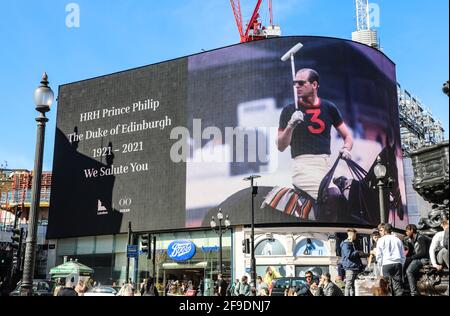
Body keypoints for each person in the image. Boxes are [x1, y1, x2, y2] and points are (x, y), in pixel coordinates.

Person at [277, 68, 353, 206]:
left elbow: (347, 136)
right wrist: (290, 125)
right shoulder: (289, 110)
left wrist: (346, 148)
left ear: (314, 85)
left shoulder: (329, 107)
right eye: (295, 83)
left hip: (326, 165)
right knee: (333, 196)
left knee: (353, 192)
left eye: (301, 83)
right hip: (303, 167)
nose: (297, 86)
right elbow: (280, 146)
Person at [376, 223, 405, 296]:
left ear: (385, 231)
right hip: (397, 263)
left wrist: (380, 267)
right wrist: (402, 264)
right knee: (398, 286)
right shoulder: (398, 240)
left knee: (386, 286)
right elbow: (403, 255)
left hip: (386, 264)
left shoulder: (381, 240)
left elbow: (379, 255)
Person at [404, 224, 429, 296]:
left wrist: (412, 257)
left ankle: (413, 292)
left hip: (424, 259)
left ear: (411, 230)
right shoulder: (412, 239)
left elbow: (422, 252)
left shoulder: (420, 238)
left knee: (409, 271)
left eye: (407, 231)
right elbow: (411, 252)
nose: (406, 232)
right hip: (419, 258)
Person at [340, 228, 364, 296]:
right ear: (351, 234)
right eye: (355, 235)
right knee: (349, 285)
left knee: (353, 286)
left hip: (354, 267)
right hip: (350, 267)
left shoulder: (352, 243)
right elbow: (349, 255)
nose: (356, 236)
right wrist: (357, 252)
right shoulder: (346, 244)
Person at [429, 217, 449, 295]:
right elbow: (431, 250)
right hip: (441, 258)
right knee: (445, 250)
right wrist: (435, 264)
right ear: (444, 226)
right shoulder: (439, 235)